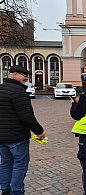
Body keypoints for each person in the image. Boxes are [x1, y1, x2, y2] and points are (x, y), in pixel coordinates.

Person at [0, 65, 46, 195]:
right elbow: (27, 116)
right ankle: (17, 191)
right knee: (20, 164)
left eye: (27, 76)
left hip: (2, 138)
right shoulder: (19, 92)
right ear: (13, 74)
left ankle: (5, 190)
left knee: (5, 163)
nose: (26, 78)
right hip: (17, 137)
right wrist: (39, 131)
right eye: (23, 75)